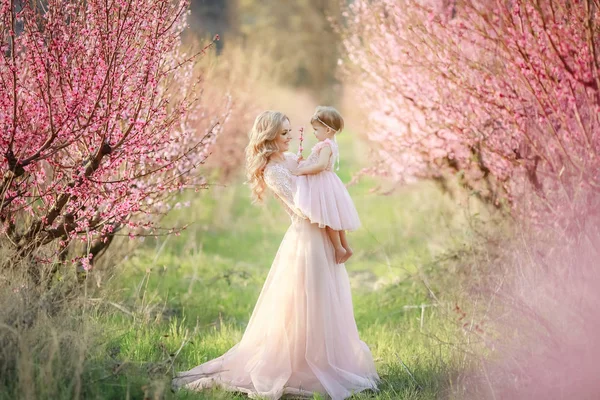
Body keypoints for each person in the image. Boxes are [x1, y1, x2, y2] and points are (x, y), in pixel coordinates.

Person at [172, 110, 379, 399]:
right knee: (302, 302)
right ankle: (297, 362)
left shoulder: (291, 159)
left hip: (321, 234)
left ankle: (321, 356)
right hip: (307, 238)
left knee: (323, 299)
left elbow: (317, 179)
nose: (289, 137)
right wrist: (325, 203)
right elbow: (303, 206)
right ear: (269, 137)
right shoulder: (273, 172)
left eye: (289, 131)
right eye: (283, 133)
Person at [293, 106, 360, 264]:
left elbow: (321, 165)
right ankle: (346, 247)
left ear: (328, 130)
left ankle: (338, 248)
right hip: (329, 182)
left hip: (322, 183)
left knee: (328, 218)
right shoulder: (328, 144)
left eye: (316, 129)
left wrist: (302, 171)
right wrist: (305, 162)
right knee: (336, 217)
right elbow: (317, 162)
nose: (314, 133)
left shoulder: (325, 146)